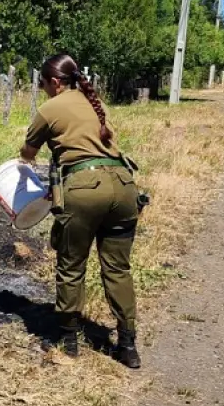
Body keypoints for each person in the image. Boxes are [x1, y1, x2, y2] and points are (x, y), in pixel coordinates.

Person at [19, 53, 141, 368]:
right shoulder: (94, 102)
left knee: (71, 266)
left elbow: (28, 154)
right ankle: (127, 345)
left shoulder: (49, 108)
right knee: (118, 269)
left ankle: (68, 340)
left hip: (85, 188)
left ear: (55, 82)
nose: (44, 89)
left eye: (44, 83)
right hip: (125, 185)